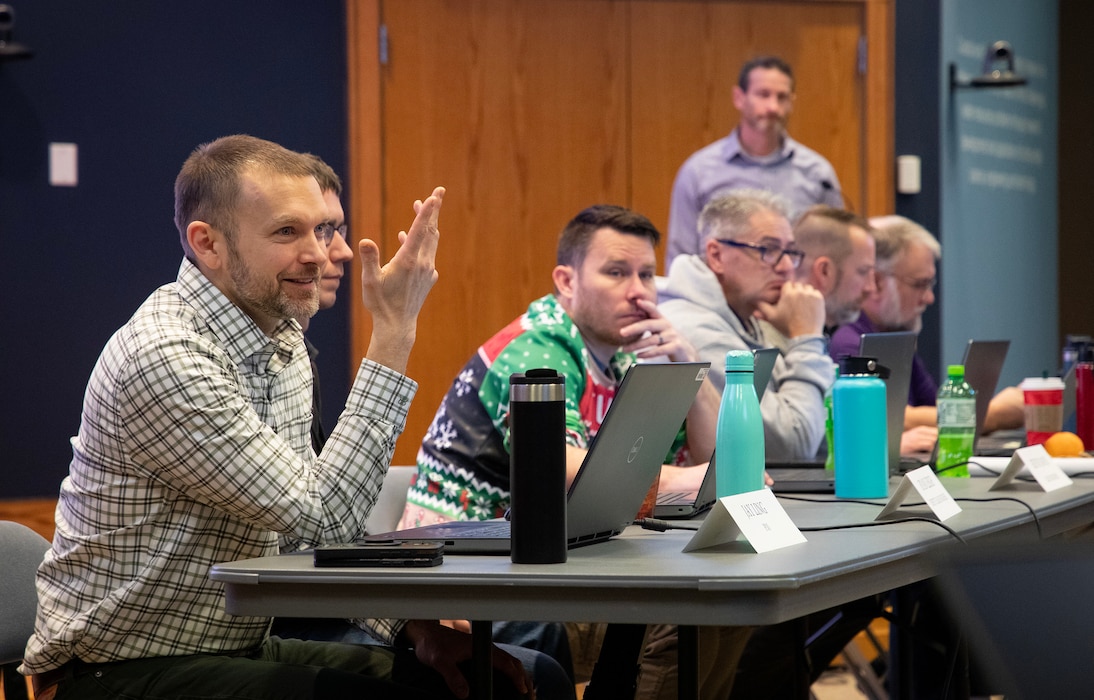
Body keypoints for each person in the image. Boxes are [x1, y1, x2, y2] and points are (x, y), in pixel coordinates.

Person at [20, 134, 541, 700]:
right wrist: (393, 333)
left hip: (234, 647)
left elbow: (306, 533)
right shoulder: (166, 356)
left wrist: (413, 628)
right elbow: (323, 520)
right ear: (208, 244)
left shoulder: (282, 338)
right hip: (116, 673)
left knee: (506, 681)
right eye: (287, 232)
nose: (320, 254)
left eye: (320, 230)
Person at [399, 204, 746, 700]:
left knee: (731, 601)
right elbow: (564, 469)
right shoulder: (535, 348)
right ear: (566, 281)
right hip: (469, 585)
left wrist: (691, 365)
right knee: (694, 611)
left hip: (559, 567)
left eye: (647, 274)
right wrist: (695, 479)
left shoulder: (626, 355)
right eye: (616, 272)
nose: (638, 291)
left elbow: (710, 456)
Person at [658, 189, 832, 461]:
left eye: (790, 252)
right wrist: (806, 338)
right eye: (768, 250)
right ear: (716, 255)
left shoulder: (749, 317)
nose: (787, 267)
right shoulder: (694, 330)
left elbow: (823, 434)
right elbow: (793, 446)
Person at [829, 215, 1023, 445]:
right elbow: (888, 416)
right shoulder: (851, 341)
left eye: (930, 285)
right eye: (919, 284)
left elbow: (933, 408)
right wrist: (994, 414)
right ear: (878, 282)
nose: (929, 298)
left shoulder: (893, 336)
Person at [666, 55, 844, 269]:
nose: (773, 107)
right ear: (739, 98)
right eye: (763, 95)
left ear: (792, 102)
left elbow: (836, 252)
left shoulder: (817, 173)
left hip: (794, 295)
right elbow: (681, 259)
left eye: (782, 97)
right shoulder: (699, 171)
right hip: (718, 299)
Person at [760, 205, 876, 350]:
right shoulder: (768, 346)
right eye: (863, 272)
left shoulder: (824, 332)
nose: (871, 288)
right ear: (824, 271)